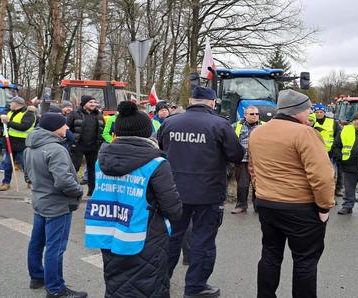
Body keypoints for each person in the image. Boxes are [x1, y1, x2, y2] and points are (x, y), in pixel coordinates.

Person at [85, 101, 183, 297]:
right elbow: (173, 209)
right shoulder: (156, 163)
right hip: (147, 237)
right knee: (148, 287)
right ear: (147, 132)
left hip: (110, 233)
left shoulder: (101, 160)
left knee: (117, 285)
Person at [157, 86, 244, 298]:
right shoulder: (220, 124)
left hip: (174, 191)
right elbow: (236, 154)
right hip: (208, 193)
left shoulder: (170, 122)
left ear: (190, 100)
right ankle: (195, 287)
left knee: (171, 239)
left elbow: (159, 148)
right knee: (203, 240)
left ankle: (159, 284)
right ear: (213, 102)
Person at [248, 90, 335, 298]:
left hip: (267, 204)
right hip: (300, 208)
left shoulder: (258, 132)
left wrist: (261, 193)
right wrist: (324, 206)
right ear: (299, 111)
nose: (310, 114)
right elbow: (322, 175)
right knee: (305, 260)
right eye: (309, 110)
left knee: (270, 255)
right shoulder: (305, 133)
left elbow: (253, 168)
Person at [24, 113, 86, 298]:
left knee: (37, 242)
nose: (67, 128)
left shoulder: (30, 146)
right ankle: (56, 289)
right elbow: (63, 181)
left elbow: (27, 175)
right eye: (64, 126)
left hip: (40, 200)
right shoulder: (55, 149)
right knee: (55, 248)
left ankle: (37, 277)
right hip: (57, 204)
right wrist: (78, 191)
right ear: (54, 128)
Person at [66, 95, 104, 196]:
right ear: (84, 103)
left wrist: (101, 142)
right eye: (90, 102)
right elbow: (66, 129)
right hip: (77, 146)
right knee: (74, 168)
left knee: (93, 170)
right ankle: (71, 190)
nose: (93, 104)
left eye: (94, 102)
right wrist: (72, 140)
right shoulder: (74, 114)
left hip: (93, 147)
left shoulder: (99, 115)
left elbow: (102, 130)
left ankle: (92, 192)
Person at [0, 97, 36, 191]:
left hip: (23, 144)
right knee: (7, 164)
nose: (10, 105)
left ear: (16, 104)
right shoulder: (10, 112)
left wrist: (8, 122)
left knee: (25, 165)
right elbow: (3, 124)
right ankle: (6, 183)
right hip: (10, 142)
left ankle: (30, 182)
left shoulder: (29, 114)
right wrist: (1, 120)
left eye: (11, 103)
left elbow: (24, 127)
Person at [230, 105, 263, 214]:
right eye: (252, 114)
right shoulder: (236, 126)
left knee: (258, 185)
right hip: (243, 161)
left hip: (259, 161)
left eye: (257, 114)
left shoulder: (264, 126)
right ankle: (241, 205)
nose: (255, 116)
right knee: (242, 185)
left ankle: (258, 206)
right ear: (245, 115)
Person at [312, 103, 343, 197]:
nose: (319, 114)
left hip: (331, 153)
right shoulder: (312, 122)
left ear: (324, 112)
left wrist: (334, 149)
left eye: (321, 112)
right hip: (317, 152)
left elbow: (338, 136)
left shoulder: (332, 122)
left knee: (332, 173)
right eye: (317, 112)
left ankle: (336, 190)